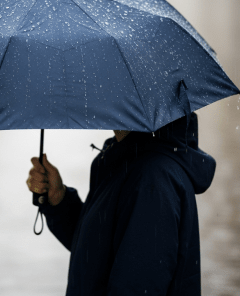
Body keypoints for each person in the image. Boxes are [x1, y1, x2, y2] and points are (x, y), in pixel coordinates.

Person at [26, 113, 215, 295]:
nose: (94, 95)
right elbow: (99, 254)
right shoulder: (124, 161)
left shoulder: (153, 179)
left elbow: (138, 285)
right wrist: (60, 201)